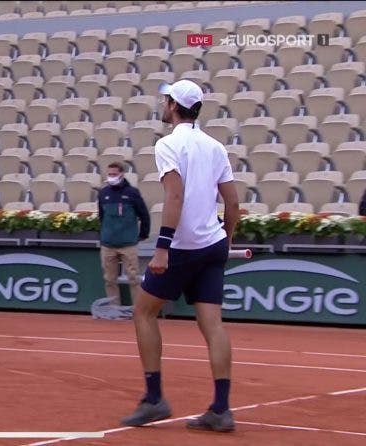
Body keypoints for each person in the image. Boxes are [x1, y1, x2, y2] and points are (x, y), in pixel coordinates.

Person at [119, 80, 241, 432]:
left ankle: (155, 398)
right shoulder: (215, 146)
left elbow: (174, 198)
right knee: (212, 325)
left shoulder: (167, 144)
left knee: (143, 311)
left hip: (182, 248)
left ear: (173, 105)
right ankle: (220, 409)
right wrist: (226, 242)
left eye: (165, 98)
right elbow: (232, 204)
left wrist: (162, 248)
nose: (163, 102)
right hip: (213, 245)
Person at [97, 161, 150, 315]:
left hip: (128, 243)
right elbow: (102, 216)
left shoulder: (132, 193)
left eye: (114, 174)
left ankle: (140, 311)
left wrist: (142, 235)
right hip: (108, 244)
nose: (111, 177)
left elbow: (144, 215)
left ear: (122, 174)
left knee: (133, 278)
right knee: (109, 279)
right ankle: (114, 309)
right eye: (109, 174)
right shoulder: (103, 193)